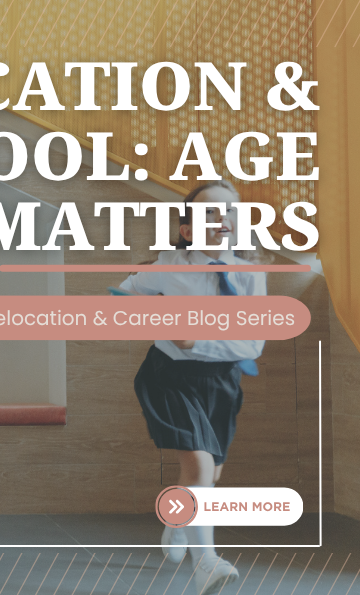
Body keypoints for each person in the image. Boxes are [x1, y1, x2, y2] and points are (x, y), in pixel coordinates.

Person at [119, 180, 264, 595]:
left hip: (221, 381)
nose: (222, 220)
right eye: (209, 214)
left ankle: (176, 521)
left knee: (208, 473)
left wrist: (196, 337)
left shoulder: (252, 277)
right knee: (200, 468)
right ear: (186, 231)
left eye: (230, 212)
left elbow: (253, 343)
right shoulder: (169, 266)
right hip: (169, 377)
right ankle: (206, 563)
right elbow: (121, 299)